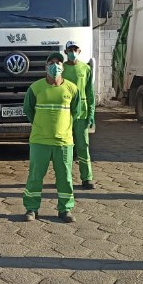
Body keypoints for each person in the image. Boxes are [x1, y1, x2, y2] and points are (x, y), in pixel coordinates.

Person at [22, 52, 81, 223]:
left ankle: (65, 209)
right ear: (46, 67)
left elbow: (76, 112)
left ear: (63, 67)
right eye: (51, 63)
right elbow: (28, 110)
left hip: (63, 142)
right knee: (35, 176)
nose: (55, 66)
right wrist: (41, 124)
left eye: (58, 63)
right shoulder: (35, 88)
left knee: (65, 177)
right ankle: (31, 208)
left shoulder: (72, 89)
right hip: (40, 140)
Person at [62, 41, 96, 189]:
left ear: (79, 51)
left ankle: (87, 178)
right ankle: (65, 177)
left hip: (82, 114)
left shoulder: (86, 68)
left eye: (75, 49)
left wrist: (91, 113)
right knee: (66, 148)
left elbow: (90, 92)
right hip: (65, 114)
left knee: (83, 146)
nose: (72, 52)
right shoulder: (61, 68)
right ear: (65, 52)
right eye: (70, 49)